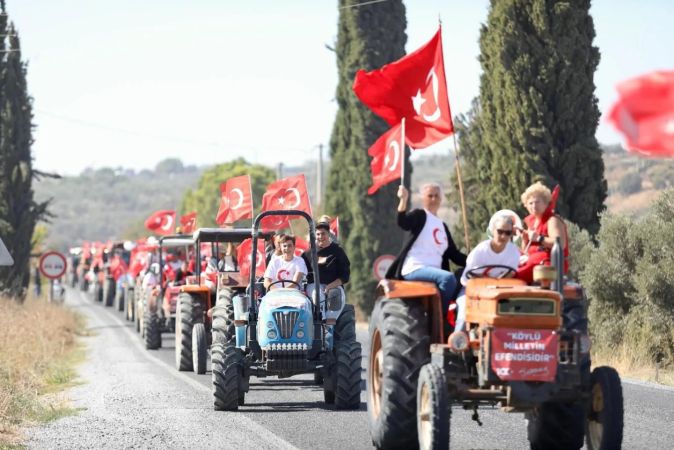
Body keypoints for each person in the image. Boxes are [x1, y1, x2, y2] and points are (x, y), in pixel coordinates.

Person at [386, 183, 467, 319]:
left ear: (441, 199)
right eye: (430, 196)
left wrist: (474, 261)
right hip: (415, 268)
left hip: (435, 272)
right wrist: (403, 200)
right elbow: (403, 222)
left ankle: (459, 317)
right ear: (423, 198)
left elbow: (454, 255)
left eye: (436, 196)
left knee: (466, 276)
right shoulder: (420, 216)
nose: (433, 199)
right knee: (447, 278)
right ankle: (440, 319)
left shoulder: (442, 226)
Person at [455, 213, 521, 331]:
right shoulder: (480, 251)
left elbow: (510, 274)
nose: (503, 236)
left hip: (499, 291)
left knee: (515, 309)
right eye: (500, 231)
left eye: (508, 233)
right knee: (465, 309)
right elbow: (466, 279)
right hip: (473, 289)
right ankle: (458, 340)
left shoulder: (514, 252)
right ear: (492, 231)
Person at [516, 182, 569, 283]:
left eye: (537, 202)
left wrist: (539, 238)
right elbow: (526, 251)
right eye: (530, 203)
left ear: (545, 203)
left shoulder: (552, 220)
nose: (534, 206)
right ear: (526, 205)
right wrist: (525, 239)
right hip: (531, 261)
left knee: (515, 273)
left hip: (548, 265)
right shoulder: (530, 222)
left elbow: (560, 244)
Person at [302, 221, 350, 308]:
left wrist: (330, 286)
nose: (320, 237)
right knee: (318, 294)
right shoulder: (308, 253)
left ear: (328, 234)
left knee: (334, 294)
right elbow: (300, 270)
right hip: (314, 286)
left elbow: (345, 275)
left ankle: (331, 319)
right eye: (318, 234)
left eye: (323, 233)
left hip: (334, 285)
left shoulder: (338, 251)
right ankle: (321, 319)